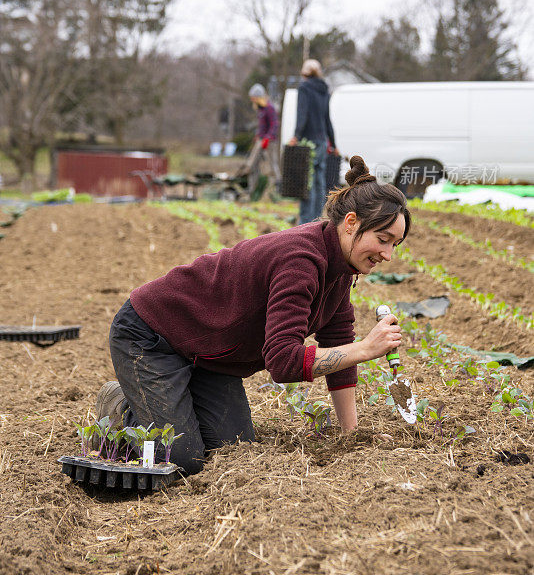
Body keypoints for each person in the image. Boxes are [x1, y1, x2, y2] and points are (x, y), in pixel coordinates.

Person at [95, 155, 410, 476]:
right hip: (151, 335)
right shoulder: (300, 261)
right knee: (179, 459)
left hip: (208, 358)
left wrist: (349, 433)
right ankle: (120, 403)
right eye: (383, 240)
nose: (387, 254)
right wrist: (366, 349)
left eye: (395, 244)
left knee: (234, 450)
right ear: (351, 222)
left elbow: (339, 341)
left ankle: (175, 399)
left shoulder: (342, 268)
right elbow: (283, 362)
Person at [288, 59, 339, 224]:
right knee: (319, 181)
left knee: (306, 182)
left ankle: (304, 222)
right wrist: (334, 144)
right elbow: (327, 120)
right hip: (322, 142)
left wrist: (296, 135)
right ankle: (318, 220)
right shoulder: (324, 90)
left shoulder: (304, 88)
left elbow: (302, 114)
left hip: (308, 143)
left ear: (305, 72)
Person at [245, 83, 281, 196]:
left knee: (272, 165)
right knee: (251, 164)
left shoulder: (269, 108)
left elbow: (274, 124)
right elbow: (262, 126)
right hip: (260, 140)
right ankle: (252, 189)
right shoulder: (260, 109)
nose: (252, 99)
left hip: (269, 141)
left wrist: (268, 137)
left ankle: (277, 189)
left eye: (253, 97)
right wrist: (258, 135)